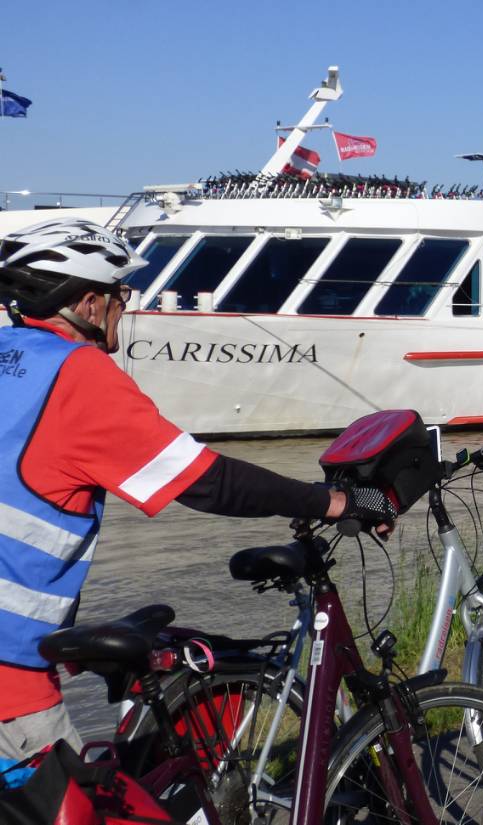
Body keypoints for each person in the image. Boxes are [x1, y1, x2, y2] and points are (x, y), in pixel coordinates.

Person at [0, 218, 395, 763]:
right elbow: (208, 482)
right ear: (89, 304)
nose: (125, 307)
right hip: (8, 680)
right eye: (121, 294)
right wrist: (334, 501)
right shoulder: (77, 376)